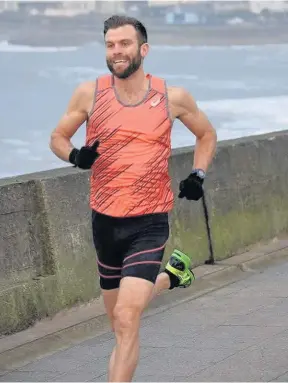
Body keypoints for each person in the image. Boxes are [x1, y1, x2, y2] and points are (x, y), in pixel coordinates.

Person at [49, 15, 217, 382]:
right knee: (121, 326)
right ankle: (172, 277)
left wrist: (197, 174)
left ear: (143, 49)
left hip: (149, 222)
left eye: (124, 44)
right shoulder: (89, 94)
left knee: (127, 317)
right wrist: (76, 156)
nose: (116, 52)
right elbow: (58, 138)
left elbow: (207, 135)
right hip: (105, 223)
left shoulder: (171, 97)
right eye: (110, 45)